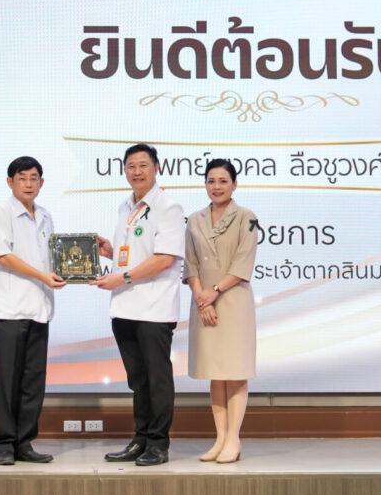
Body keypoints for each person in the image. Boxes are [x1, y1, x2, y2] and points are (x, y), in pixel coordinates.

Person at [93, 143, 185, 466]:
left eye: (143, 165)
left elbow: (164, 258)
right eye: (131, 166)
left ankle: (158, 444)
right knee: (138, 380)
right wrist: (109, 251)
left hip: (154, 308)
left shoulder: (168, 207)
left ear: (156, 168)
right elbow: (133, 253)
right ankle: (141, 438)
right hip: (124, 307)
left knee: (157, 379)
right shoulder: (125, 207)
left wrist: (122, 278)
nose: (137, 171)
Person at [0, 156, 66, 465]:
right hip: (7, 311)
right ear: (10, 182)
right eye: (22, 178)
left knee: (33, 381)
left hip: (39, 309)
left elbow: (53, 256)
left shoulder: (45, 216)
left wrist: (84, 255)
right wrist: (42, 276)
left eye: (34, 178)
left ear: (41, 182)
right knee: (7, 381)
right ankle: (4, 444)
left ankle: (24, 442)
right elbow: (2, 255)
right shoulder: (2, 212)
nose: (29, 184)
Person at [185, 159, 258, 463]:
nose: (216, 187)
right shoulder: (194, 220)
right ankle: (219, 439)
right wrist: (202, 299)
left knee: (235, 372)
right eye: (211, 181)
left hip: (233, 299)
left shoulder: (246, 217)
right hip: (203, 301)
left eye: (223, 181)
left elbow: (243, 263)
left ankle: (234, 439)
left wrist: (213, 292)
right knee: (215, 373)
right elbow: (190, 264)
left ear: (234, 184)